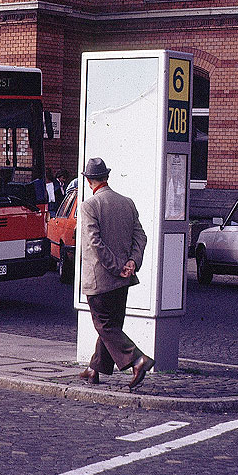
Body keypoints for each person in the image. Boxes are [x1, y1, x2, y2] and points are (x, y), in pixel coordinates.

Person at [78, 157, 155, 389]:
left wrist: (116, 266)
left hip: (101, 278)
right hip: (122, 280)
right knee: (111, 326)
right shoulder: (127, 203)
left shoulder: (89, 206)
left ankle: (137, 360)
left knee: (105, 326)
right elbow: (140, 236)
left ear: (89, 180)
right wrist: (131, 262)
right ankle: (94, 369)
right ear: (107, 177)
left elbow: (95, 243)